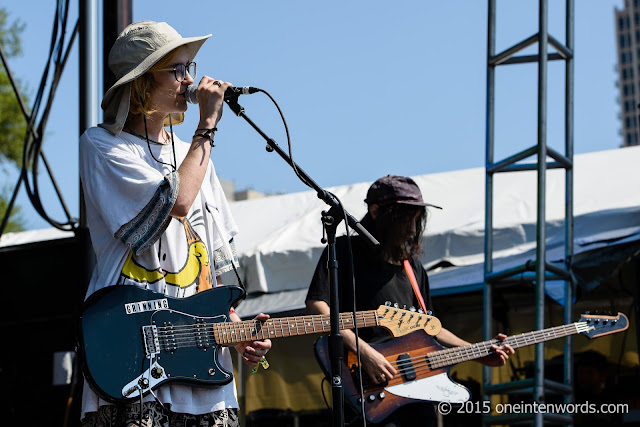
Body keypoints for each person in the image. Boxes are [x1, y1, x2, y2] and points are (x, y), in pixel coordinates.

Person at [79, 21, 271, 427]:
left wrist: (236, 329)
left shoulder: (195, 154)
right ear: (143, 82)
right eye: (178, 70)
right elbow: (177, 202)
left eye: (191, 67)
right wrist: (208, 124)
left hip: (201, 364)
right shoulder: (102, 145)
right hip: (131, 351)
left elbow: (211, 259)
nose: (190, 79)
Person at [305, 174, 514, 427]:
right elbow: (318, 307)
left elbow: (430, 327)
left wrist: (476, 352)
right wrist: (365, 352)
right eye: (404, 220)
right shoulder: (345, 251)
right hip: (369, 387)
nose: (413, 229)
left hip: (417, 394)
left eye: (417, 220)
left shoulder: (412, 267)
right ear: (375, 211)